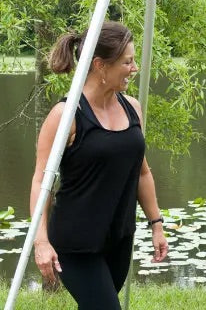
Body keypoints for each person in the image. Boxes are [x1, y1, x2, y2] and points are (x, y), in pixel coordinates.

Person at [29, 21, 168, 309]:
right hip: (75, 243)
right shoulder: (65, 115)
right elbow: (40, 182)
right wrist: (40, 241)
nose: (134, 68)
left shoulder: (133, 108)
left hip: (118, 238)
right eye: (127, 62)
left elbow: (142, 171)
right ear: (100, 65)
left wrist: (156, 224)